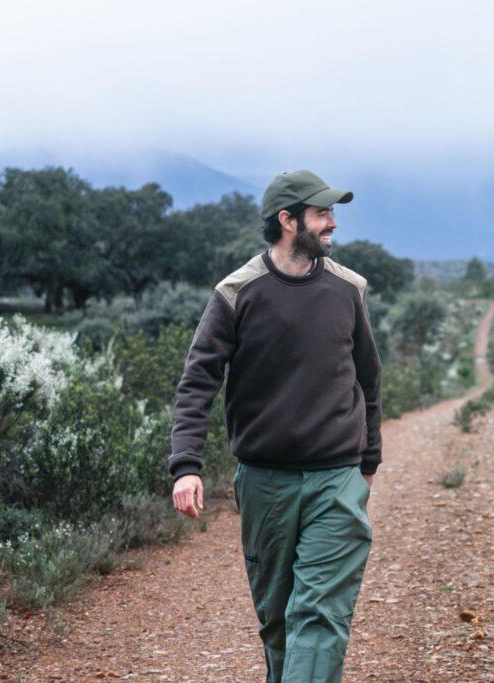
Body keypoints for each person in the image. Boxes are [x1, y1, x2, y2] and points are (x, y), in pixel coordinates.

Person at [169, 170, 382, 683]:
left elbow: (368, 377)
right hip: (264, 481)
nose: (333, 223)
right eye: (322, 213)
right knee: (278, 620)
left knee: (320, 612)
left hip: (336, 477)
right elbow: (198, 382)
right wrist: (186, 466)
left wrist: (367, 461)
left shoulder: (348, 289)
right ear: (288, 221)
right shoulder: (237, 293)